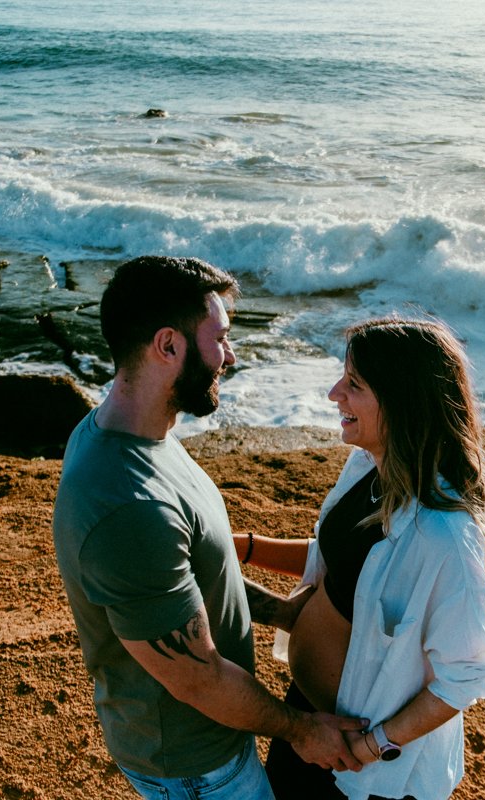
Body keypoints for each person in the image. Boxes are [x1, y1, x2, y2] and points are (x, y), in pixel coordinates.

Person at [52, 255, 365, 800]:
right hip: (197, 763)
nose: (230, 355)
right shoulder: (129, 506)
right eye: (219, 338)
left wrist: (285, 613)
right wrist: (302, 731)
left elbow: (193, 574)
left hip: (210, 736)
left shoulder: (139, 432)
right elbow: (197, 677)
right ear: (167, 346)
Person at [239, 317, 485, 800]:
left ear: (402, 401)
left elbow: (464, 675)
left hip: (363, 769)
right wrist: (244, 547)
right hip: (313, 719)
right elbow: (345, 567)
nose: (333, 393)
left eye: (354, 384)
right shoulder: (369, 466)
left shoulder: (444, 535)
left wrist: (370, 748)